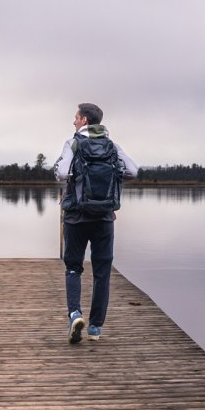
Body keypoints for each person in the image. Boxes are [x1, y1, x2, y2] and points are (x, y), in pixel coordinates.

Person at [53, 103, 138, 344]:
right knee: (102, 273)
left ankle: (75, 314)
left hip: (76, 216)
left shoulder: (73, 143)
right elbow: (133, 170)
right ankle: (95, 328)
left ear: (85, 121)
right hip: (104, 217)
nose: (74, 122)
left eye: (76, 118)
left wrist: (74, 177)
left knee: (73, 268)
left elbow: (60, 174)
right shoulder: (112, 146)